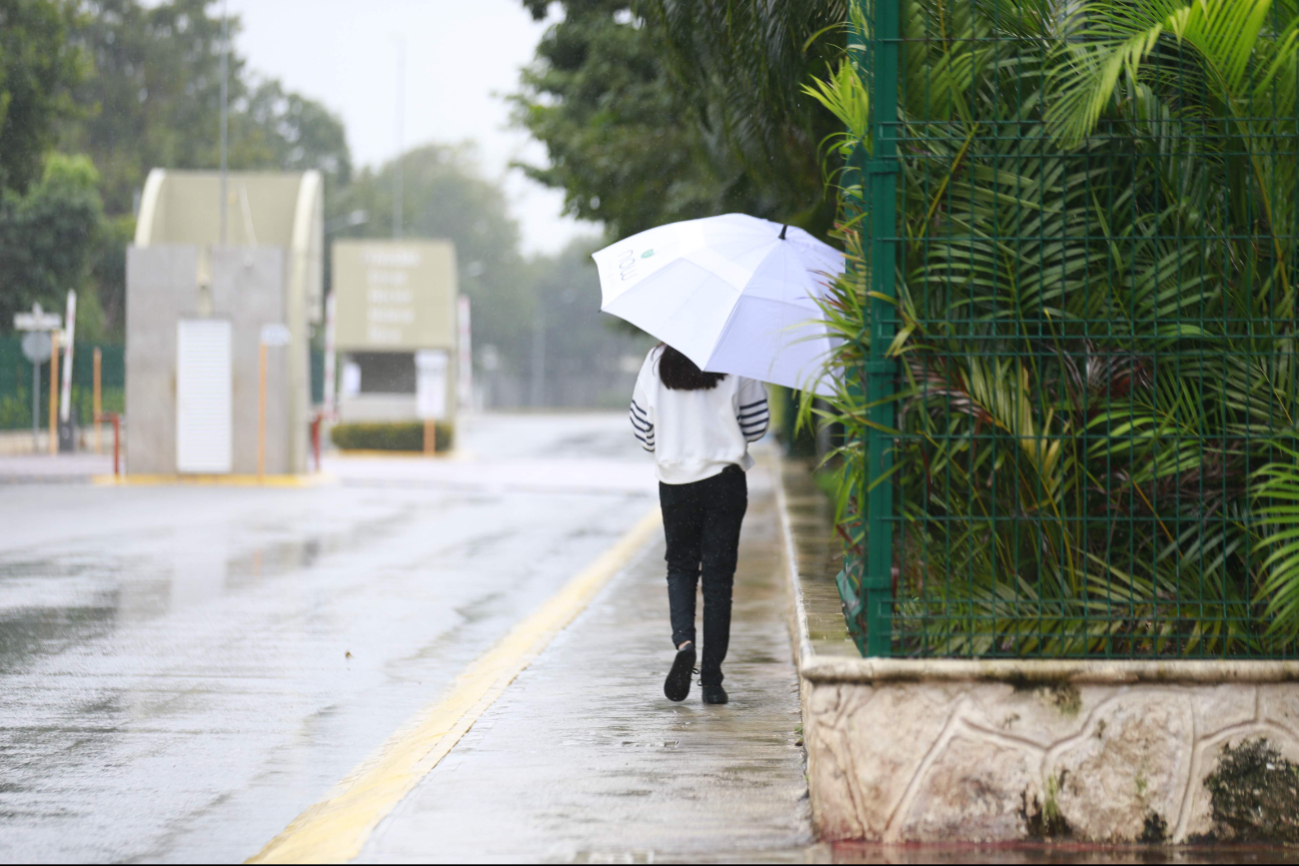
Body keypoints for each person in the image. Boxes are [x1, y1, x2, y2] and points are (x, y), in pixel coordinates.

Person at [629, 344, 769, 704]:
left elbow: (643, 431)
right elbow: (756, 425)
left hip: (675, 481)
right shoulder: (737, 355)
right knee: (719, 580)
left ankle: (684, 642)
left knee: (680, 567)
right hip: (725, 481)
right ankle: (712, 682)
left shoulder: (655, 360)